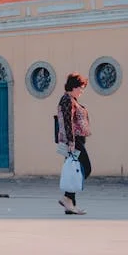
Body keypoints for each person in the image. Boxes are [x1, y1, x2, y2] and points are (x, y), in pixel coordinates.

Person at [56, 72, 92, 215]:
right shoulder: (67, 100)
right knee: (85, 168)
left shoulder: (72, 100)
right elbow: (67, 122)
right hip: (74, 141)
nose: (82, 91)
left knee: (74, 170)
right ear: (74, 86)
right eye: (81, 88)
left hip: (76, 140)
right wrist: (71, 142)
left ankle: (70, 205)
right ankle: (67, 197)